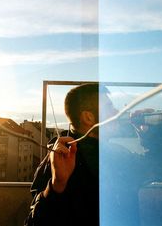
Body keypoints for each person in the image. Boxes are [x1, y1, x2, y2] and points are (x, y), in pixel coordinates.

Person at [24, 83, 117, 226]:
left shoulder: (110, 152)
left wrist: (149, 135)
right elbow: (34, 222)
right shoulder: (61, 158)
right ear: (88, 118)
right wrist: (57, 185)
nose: (117, 112)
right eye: (109, 108)